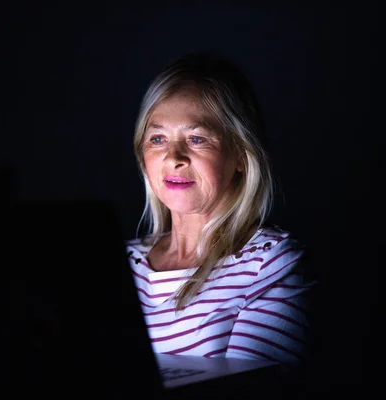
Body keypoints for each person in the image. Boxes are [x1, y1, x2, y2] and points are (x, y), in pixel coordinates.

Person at [126, 52, 316, 369]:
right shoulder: (117, 265)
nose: (173, 157)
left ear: (240, 155)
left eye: (197, 138)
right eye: (157, 138)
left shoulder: (271, 266)